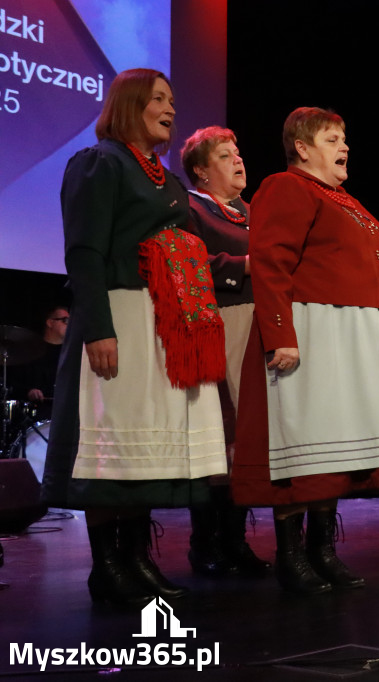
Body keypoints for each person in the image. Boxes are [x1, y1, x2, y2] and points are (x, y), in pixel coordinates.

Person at [42, 68, 227, 607]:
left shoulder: (166, 179)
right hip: (119, 314)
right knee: (112, 442)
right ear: (130, 105)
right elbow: (84, 253)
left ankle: (138, 557)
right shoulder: (101, 163)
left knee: (140, 445)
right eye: (159, 99)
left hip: (159, 321)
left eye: (173, 98)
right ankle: (106, 565)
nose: (171, 107)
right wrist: (97, 328)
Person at [231, 107, 379, 594]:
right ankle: (291, 556)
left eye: (344, 138)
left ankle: (322, 549)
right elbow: (270, 263)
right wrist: (280, 333)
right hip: (311, 329)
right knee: (301, 446)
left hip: (350, 335)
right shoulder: (288, 187)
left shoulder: (345, 199)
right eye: (332, 139)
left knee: (333, 450)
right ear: (302, 147)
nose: (344, 146)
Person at [179, 126, 270, 577]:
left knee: (248, 440)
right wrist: (246, 266)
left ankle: (236, 540)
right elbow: (189, 262)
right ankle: (205, 542)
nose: (238, 159)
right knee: (222, 434)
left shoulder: (255, 213)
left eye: (238, 151)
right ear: (200, 169)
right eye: (224, 154)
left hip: (259, 329)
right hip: (219, 325)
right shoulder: (191, 206)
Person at [8, 305, 69, 420]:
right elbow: (13, 384)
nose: (70, 325)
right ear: (50, 323)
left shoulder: (72, 354)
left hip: (66, 415)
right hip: (37, 415)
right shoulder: (30, 351)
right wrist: (29, 391)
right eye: (65, 320)